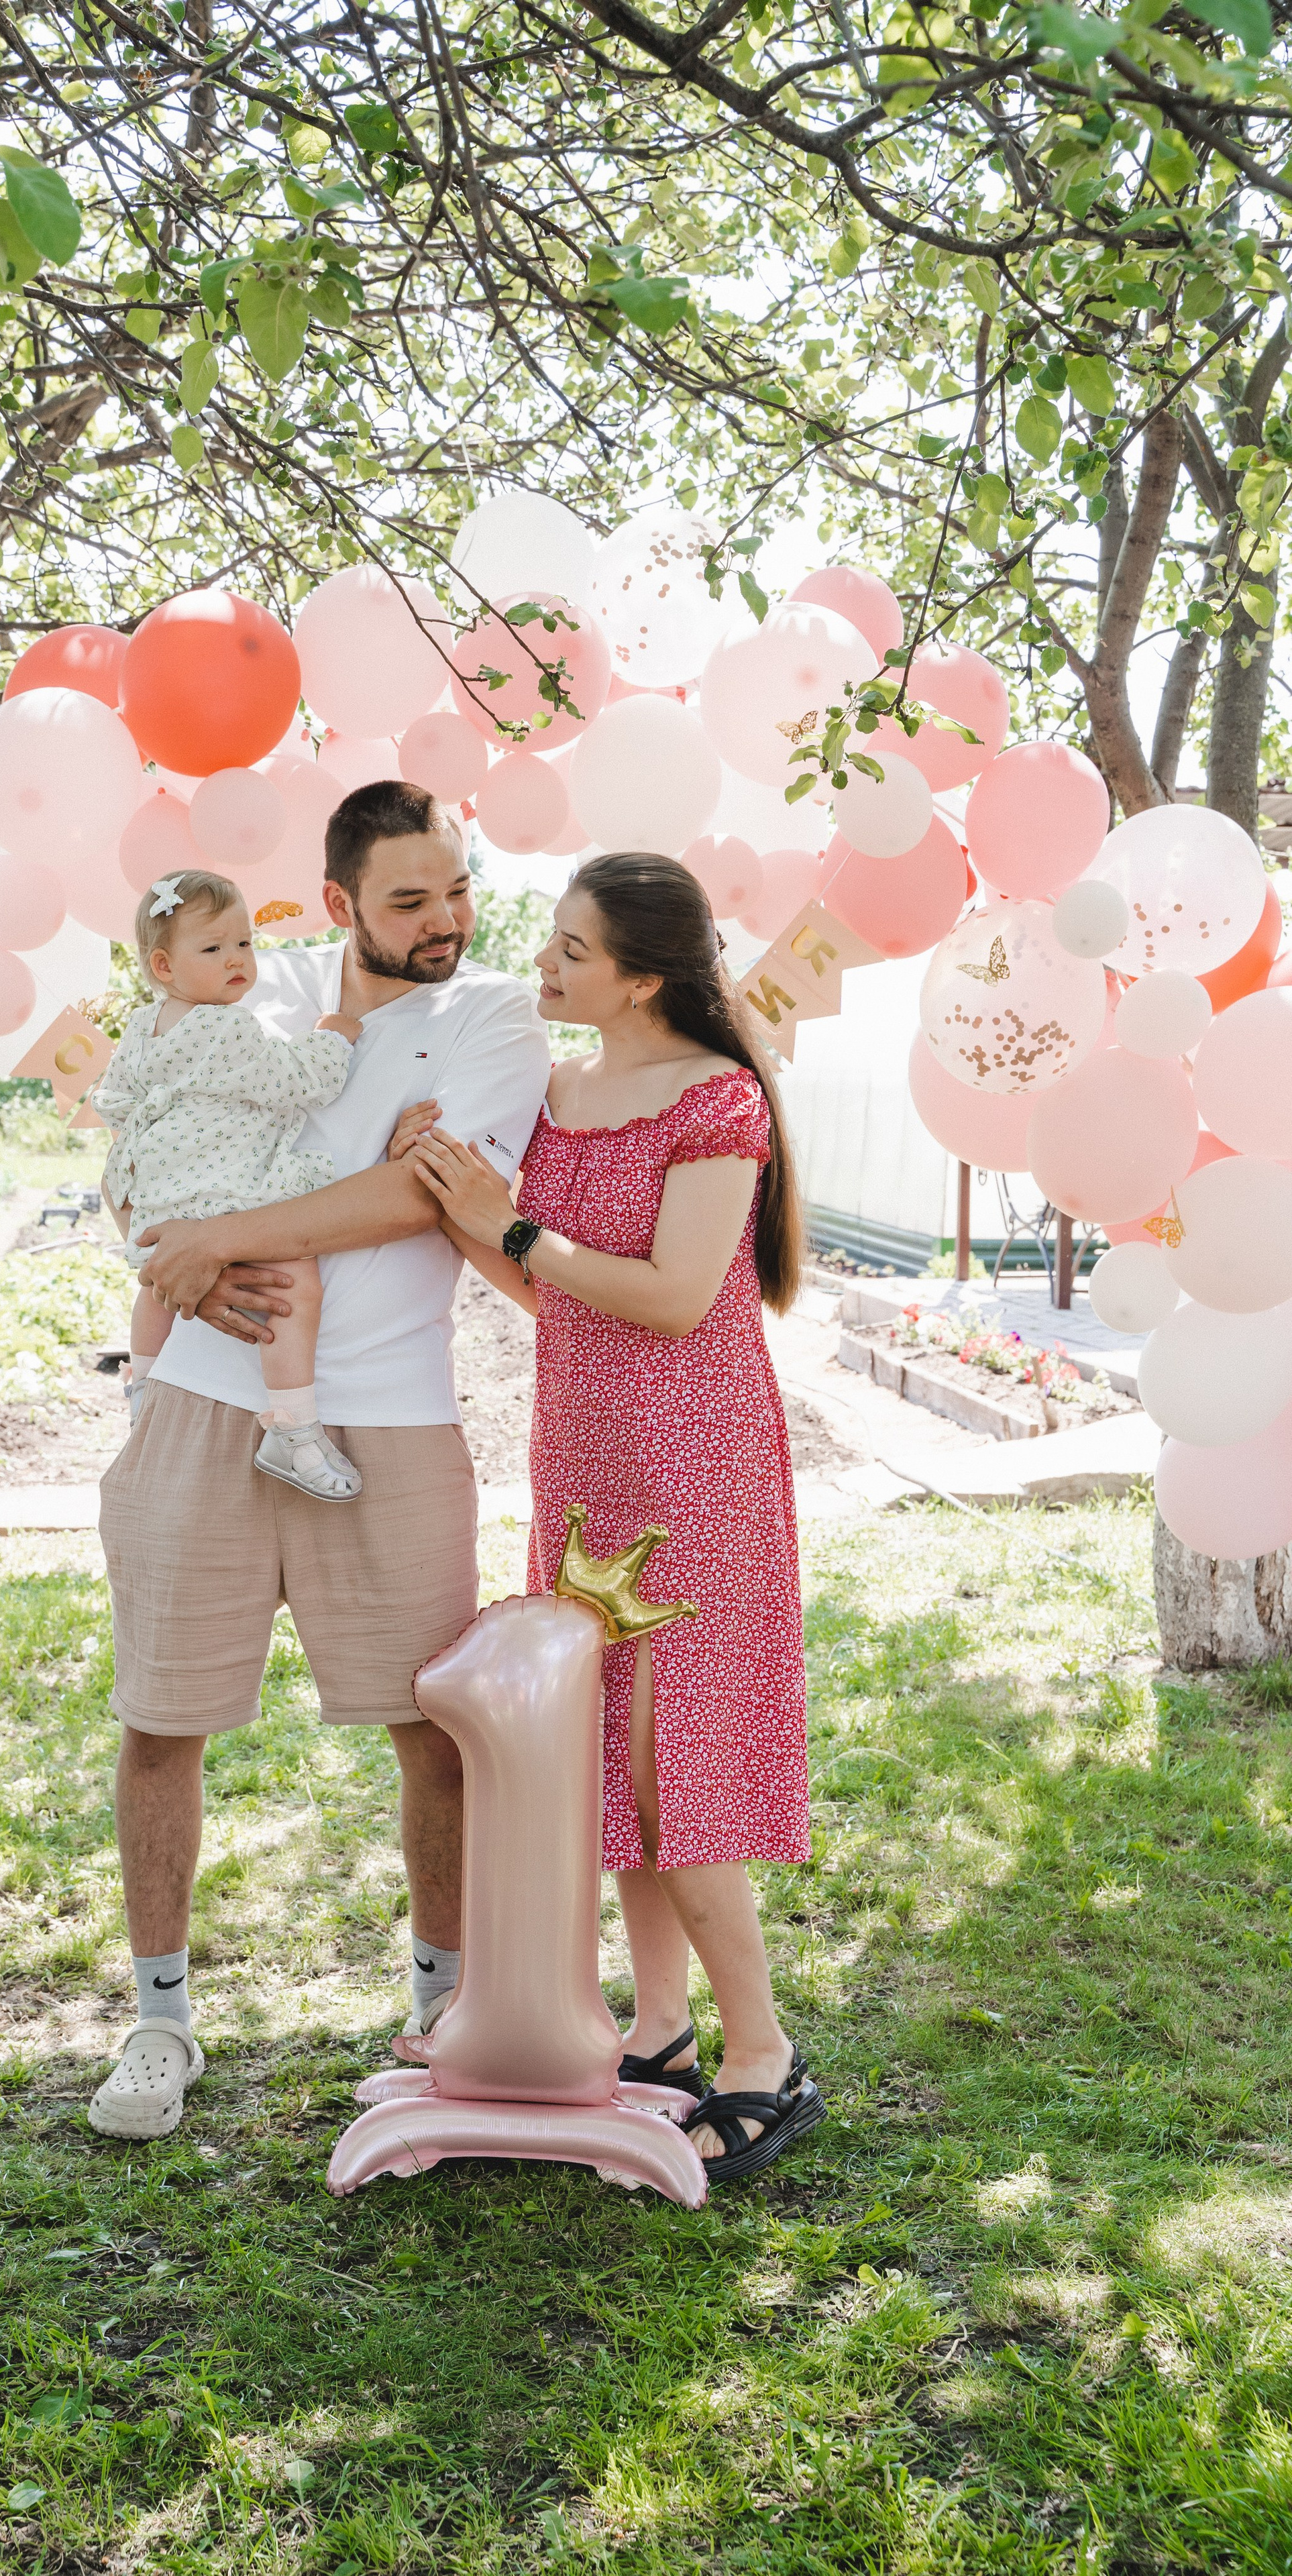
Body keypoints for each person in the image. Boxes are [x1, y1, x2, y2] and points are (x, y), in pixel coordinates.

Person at [87, 777, 552, 2143]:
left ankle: (443, 2011)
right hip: (199, 1400)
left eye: (458, 889)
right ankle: (159, 2020)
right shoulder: (256, 981)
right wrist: (160, 1236)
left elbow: (422, 1192)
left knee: (433, 1728)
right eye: (410, 900)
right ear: (341, 902)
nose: (447, 921)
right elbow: (140, 1139)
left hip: (390, 1416)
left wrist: (223, 1237)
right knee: (160, 1719)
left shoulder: (491, 1017)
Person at [409, 849, 825, 2188]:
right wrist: (457, 1205)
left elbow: (671, 1293)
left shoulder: (716, 1099)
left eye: (571, 951)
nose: (541, 965)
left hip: (693, 1473)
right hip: (584, 1465)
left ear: (642, 975)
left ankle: (762, 2055)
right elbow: (561, 1301)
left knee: (672, 1772)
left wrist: (512, 1229)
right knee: (603, 1762)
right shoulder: (562, 1089)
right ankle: (658, 2032)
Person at [93, 865, 368, 1502]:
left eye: (244, 943)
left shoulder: (142, 1027)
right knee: (292, 1281)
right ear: (164, 966)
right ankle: (293, 1428)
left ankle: (144, 1393)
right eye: (213, 949)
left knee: (157, 1289)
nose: (237, 961)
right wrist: (332, 1038)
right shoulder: (227, 1027)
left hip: (157, 1185)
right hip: (225, 1181)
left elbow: (116, 1101)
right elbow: (294, 1081)